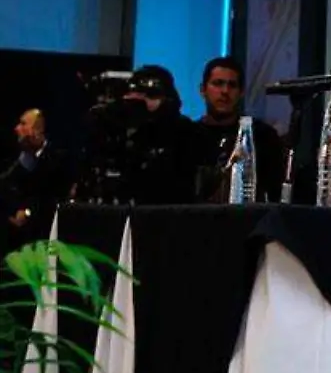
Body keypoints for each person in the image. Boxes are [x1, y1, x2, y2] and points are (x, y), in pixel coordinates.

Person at [78, 65, 200, 205]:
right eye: (135, 95)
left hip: (165, 209)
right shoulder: (111, 127)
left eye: (151, 95)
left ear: (167, 99)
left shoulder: (184, 131)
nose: (140, 103)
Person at [193, 56, 286, 203]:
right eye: (218, 84)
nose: (225, 91)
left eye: (232, 85)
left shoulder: (263, 136)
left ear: (241, 92)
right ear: (202, 90)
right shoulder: (189, 135)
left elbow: (274, 192)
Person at [0, 109, 72, 250]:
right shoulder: (21, 157)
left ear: (37, 130)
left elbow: (51, 197)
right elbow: (5, 185)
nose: (17, 129)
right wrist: (13, 211)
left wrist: (28, 212)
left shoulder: (57, 159)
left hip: (46, 236)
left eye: (23, 124)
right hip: (16, 238)